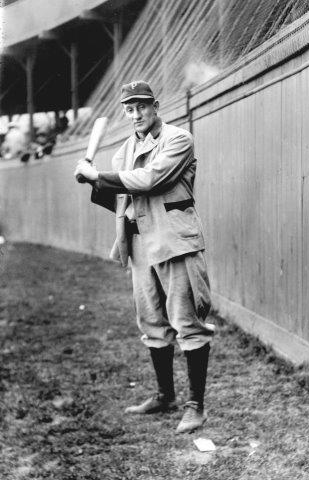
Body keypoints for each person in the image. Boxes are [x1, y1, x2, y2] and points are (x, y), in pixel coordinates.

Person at [74, 80, 214, 434]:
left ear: (155, 106)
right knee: (151, 322)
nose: (136, 114)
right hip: (139, 246)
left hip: (174, 242)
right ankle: (165, 395)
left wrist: (100, 175)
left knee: (187, 322)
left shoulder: (178, 139)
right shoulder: (124, 150)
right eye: (130, 109)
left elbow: (150, 180)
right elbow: (121, 200)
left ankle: (196, 407)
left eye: (142, 107)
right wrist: (93, 181)